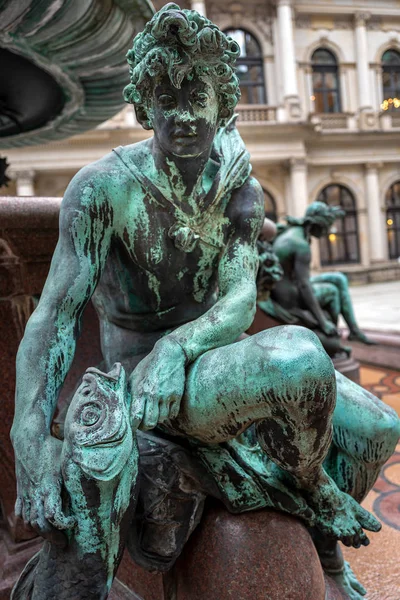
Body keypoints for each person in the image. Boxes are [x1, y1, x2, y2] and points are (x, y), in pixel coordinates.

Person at [11, 5, 399, 599]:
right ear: (145, 108)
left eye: (199, 94)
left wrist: (181, 344)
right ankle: (313, 488)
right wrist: (29, 436)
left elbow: (242, 297)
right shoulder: (102, 189)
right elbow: (53, 320)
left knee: (379, 427)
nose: (185, 114)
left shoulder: (241, 190)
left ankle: (326, 549)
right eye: (168, 96)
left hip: (208, 357)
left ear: (224, 103)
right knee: (296, 359)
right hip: (145, 377)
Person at [270, 202, 375, 348]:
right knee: (332, 292)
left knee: (338, 278)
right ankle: (330, 333)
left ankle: (354, 330)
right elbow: (304, 285)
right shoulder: (301, 245)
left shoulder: (293, 231)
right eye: (327, 227)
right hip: (289, 296)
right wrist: (322, 321)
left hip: (285, 286)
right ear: (318, 224)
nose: (327, 232)